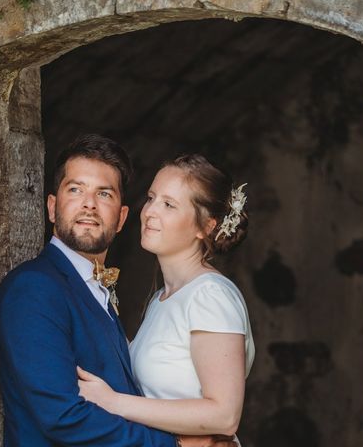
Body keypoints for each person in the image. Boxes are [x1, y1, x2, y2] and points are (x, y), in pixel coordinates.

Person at [0, 134, 237, 446]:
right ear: (52, 208)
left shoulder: (97, 289)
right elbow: (63, 417)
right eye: (75, 189)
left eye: (104, 194)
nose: (89, 204)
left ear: (121, 218)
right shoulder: (33, 287)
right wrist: (174, 444)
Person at [77, 154, 255, 443]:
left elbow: (224, 415)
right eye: (151, 198)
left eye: (169, 204)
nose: (149, 212)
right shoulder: (163, 298)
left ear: (206, 227)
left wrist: (112, 401)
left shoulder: (209, 296)